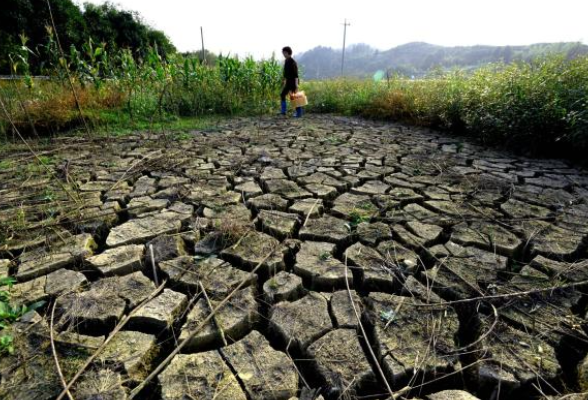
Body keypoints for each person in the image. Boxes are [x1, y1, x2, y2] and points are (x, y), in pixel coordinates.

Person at [280, 46, 303, 118]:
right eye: (283, 53)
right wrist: (284, 82)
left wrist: (296, 85)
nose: (283, 54)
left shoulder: (293, 62)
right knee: (282, 95)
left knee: (295, 97)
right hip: (288, 83)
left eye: (284, 53)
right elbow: (285, 74)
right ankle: (283, 112)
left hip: (293, 83)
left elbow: (296, 75)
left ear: (287, 52)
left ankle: (299, 114)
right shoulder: (286, 61)